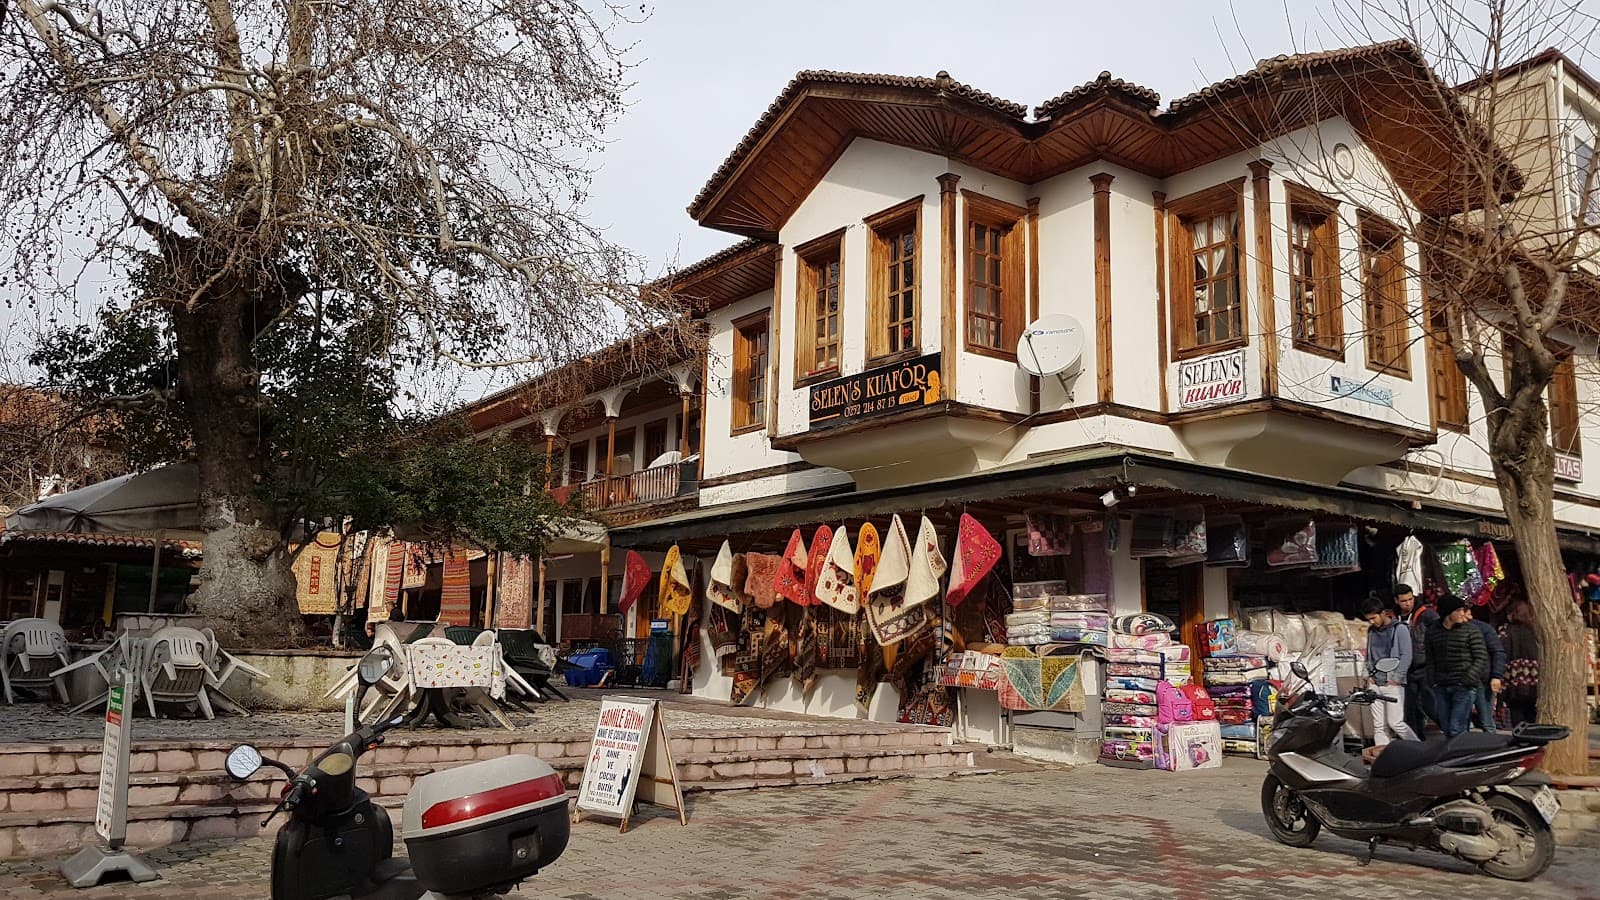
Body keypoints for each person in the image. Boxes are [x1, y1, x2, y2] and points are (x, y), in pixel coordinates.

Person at [1425, 594, 1488, 738]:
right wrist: (1432, 681)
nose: (1462, 614)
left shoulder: (1471, 630)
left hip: (1463, 686)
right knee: (1446, 727)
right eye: (1458, 610)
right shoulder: (1432, 632)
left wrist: (1468, 678)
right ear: (1448, 613)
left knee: (1456, 728)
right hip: (1441, 685)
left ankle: (1459, 751)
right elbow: (1430, 658)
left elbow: (1480, 657)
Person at [1360, 595, 1419, 745]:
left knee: (1396, 723)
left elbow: (1406, 655)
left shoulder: (1399, 629)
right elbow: (1369, 655)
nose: (1371, 622)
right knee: (1379, 726)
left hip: (1392, 683)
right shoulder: (1371, 631)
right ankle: (1384, 754)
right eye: (1368, 619)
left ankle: (1419, 748)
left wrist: (1396, 678)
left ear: (1383, 613)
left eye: (1373, 618)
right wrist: (1367, 676)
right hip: (1374, 683)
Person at [1395, 585, 1440, 734]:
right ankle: (1417, 739)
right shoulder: (1393, 617)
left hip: (1424, 667)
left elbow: (1438, 635)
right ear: (1396, 601)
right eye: (1403, 601)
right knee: (1410, 708)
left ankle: (1450, 733)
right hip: (1406, 669)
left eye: (1410, 599)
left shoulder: (1427, 615)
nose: (1408, 603)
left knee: (1431, 705)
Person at [1465, 607, 1506, 732]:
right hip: (1461, 678)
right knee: (1461, 721)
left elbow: (1497, 652)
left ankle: (1491, 741)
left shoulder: (1483, 629)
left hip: (1482, 678)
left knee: (1486, 719)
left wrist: (1496, 676)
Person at [1501, 600, 1540, 727]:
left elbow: (1502, 651)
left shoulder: (1506, 630)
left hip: (1514, 677)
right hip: (1535, 677)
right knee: (1532, 711)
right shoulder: (1536, 631)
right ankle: (1532, 735)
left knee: (1516, 710)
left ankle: (1519, 735)